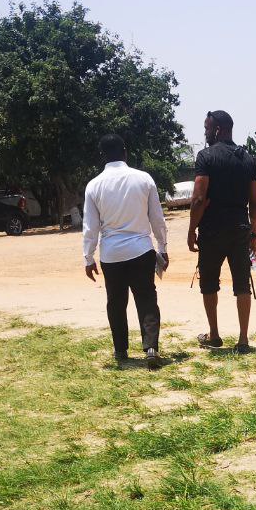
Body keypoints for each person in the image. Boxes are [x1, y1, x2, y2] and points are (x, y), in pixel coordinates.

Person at [83, 134, 168, 369]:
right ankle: (151, 347)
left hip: (111, 255)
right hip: (141, 250)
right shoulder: (144, 179)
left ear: (103, 156)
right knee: (147, 299)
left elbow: (90, 227)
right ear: (125, 151)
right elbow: (157, 219)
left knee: (116, 303)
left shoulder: (94, 185)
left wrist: (88, 258)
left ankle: (121, 351)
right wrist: (163, 246)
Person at [188, 110, 256, 353]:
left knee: (209, 283)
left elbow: (199, 199)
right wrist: (254, 234)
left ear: (218, 129)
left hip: (211, 231)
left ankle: (215, 335)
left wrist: (191, 230)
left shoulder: (205, 157)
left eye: (207, 127)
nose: (206, 132)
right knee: (242, 284)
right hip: (240, 230)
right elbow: (255, 203)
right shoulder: (247, 159)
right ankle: (243, 340)